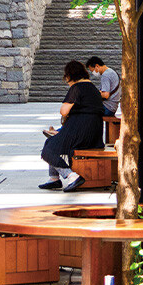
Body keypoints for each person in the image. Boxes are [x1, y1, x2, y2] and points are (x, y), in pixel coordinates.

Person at [39, 60, 104, 192]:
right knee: (52, 142)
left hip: (81, 131)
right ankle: (54, 179)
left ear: (70, 75)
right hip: (94, 134)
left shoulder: (77, 88)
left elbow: (64, 111)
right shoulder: (94, 89)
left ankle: (71, 176)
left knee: (49, 148)